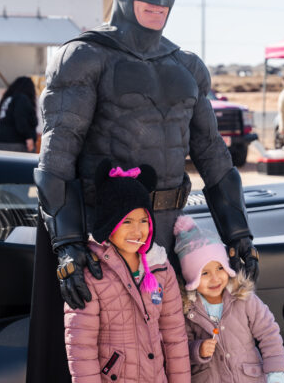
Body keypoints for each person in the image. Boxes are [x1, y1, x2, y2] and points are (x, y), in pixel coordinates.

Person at [27, 0, 258, 382]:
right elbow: (57, 159)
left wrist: (238, 232)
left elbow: (214, 157)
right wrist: (67, 246)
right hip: (104, 240)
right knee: (106, 355)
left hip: (167, 238)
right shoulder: (84, 56)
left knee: (173, 348)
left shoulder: (187, 65)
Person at [64, 160, 190, 382]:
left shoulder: (160, 266)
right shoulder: (92, 272)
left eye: (143, 220)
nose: (137, 230)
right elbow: (81, 347)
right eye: (127, 222)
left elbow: (175, 337)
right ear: (109, 225)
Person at [174, 215, 284, 383]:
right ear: (192, 279)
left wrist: (276, 375)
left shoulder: (244, 300)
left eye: (220, 268)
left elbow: (269, 333)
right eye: (204, 273)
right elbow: (182, 348)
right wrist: (198, 350)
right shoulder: (189, 311)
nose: (215, 278)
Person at [0, 76, 38, 152]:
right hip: (16, 143)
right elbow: (20, 120)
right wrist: (29, 137)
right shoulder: (22, 98)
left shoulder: (8, 99)